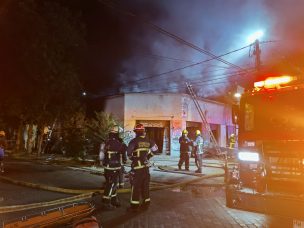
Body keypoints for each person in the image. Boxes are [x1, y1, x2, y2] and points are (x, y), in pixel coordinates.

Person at [127, 123, 158, 212]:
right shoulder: (149, 140)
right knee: (145, 186)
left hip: (137, 168)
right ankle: (146, 204)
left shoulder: (133, 141)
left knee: (136, 187)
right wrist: (148, 157)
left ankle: (134, 206)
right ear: (143, 131)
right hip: (146, 167)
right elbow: (156, 150)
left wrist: (134, 158)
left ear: (136, 132)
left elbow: (128, 153)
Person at [101, 130, 127, 209]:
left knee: (113, 184)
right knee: (111, 184)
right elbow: (125, 151)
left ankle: (114, 200)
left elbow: (101, 156)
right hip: (114, 167)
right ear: (116, 135)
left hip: (107, 168)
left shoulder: (104, 143)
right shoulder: (119, 144)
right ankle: (106, 202)